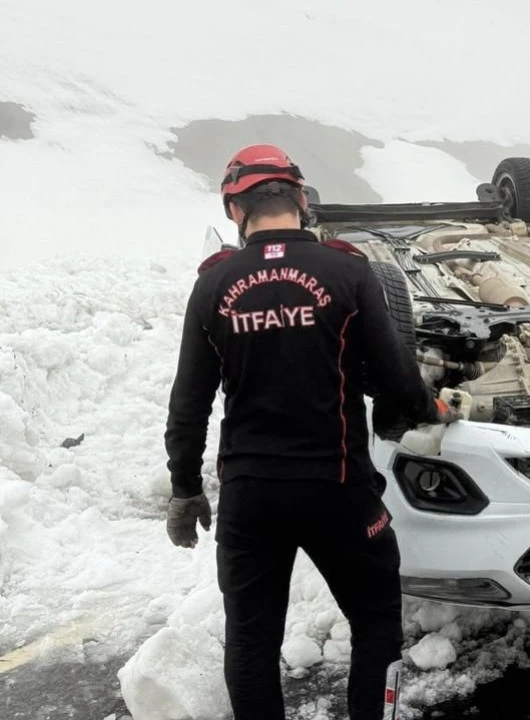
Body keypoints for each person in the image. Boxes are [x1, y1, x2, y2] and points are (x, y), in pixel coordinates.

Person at [162, 144, 461, 720]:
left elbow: (188, 402)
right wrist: (433, 408)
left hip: (251, 496)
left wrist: (185, 488)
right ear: (301, 200)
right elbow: (397, 378)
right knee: (375, 628)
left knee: (251, 643)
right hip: (339, 490)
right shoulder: (349, 271)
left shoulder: (212, 286)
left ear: (235, 211)